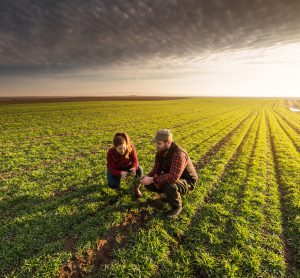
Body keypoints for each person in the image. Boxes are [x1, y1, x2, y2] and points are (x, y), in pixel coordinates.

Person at [140, 129, 198, 218]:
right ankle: (169, 195)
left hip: (187, 181)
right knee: (149, 184)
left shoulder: (179, 154)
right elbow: (156, 169)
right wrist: (146, 177)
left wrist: (152, 179)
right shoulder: (160, 152)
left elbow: (173, 177)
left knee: (169, 185)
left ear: (168, 142)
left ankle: (177, 207)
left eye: (159, 143)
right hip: (172, 177)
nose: (156, 146)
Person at [107, 132, 143, 198]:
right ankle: (117, 189)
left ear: (126, 144)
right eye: (120, 149)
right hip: (116, 169)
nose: (123, 151)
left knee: (139, 170)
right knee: (112, 184)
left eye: (124, 148)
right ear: (115, 147)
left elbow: (135, 160)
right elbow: (112, 169)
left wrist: (134, 168)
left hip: (127, 166)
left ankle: (136, 188)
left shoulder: (130, 148)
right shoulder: (110, 152)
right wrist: (120, 173)